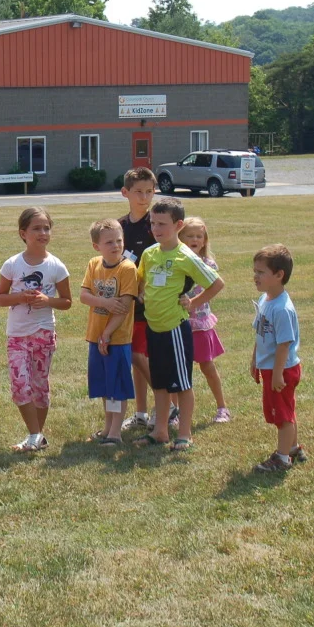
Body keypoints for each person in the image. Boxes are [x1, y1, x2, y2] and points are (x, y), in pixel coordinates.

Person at [136, 197, 224, 451]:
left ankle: (184, 434)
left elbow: (216, 283)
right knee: (160, 383)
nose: (156, 228)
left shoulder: (185, 256)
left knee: (182, 384)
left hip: (175, 328)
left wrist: (193, 302)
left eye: (162, 224)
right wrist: (141, 293)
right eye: (153, 223)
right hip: (154, 328)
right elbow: (141, 280)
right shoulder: (149, 253)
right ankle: (160, 431)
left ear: (178, 225)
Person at [0, 207, 72, 452]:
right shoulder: (12, 264)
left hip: (43, 333)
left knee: (40, 386)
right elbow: (0, 298)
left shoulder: (56, 266)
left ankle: (36, 438)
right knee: (20, 386)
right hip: (17, 334)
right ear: (23, 233)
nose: (43, 233)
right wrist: (20, 297)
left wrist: (48, 301)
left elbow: (67, 301)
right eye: (36, 228)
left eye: (46, 228)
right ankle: (35, 434)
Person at [118, 167, 175, 431]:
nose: (144, 197)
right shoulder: (120, 226)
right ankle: (140, 413)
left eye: (149, 192)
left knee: (146, 357)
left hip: (154, 303)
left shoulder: (157, 225)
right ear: (125, 193)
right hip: (127, 303)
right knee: (136, 360)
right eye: (138, 192)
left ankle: (168, 404)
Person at [78, 219, 137, 445]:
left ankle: (115, 432)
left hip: (117, 339)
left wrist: (108, 333)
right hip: (96, 335)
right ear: (97, 246)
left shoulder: (127, 268)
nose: (116, 245)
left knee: (117, 385)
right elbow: (84, 296)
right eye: (109, 242)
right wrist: (105, 302)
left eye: (119, 240)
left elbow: (124, 307)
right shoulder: (94, 264)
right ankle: (107, 427)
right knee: (104, 385)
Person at [250, 245, 308, 472]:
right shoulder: (266, 299)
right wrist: (255, 359)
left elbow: (284, 344)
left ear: (279, 275)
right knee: (285, 410)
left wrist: (276, 374)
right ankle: (292, 448)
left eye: (261, 272)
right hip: (271, 367)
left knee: (282, 416)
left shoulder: (282, 309)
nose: (255, 276)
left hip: (281, 370)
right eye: (255, 271)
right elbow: (260, 334)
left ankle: (282, 459)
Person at [179, 217, 231, 423]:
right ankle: (175, 412)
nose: (195, 239)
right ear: (180, 237)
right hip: (178, 323)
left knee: (207, 366)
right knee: (179, 371)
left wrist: (192, 302)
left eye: (199, 236)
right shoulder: (175, 262)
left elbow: (214, 287)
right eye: (190, 235)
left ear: (205, 240)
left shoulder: (207, 264)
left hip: (199, 324)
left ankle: (222, 407)